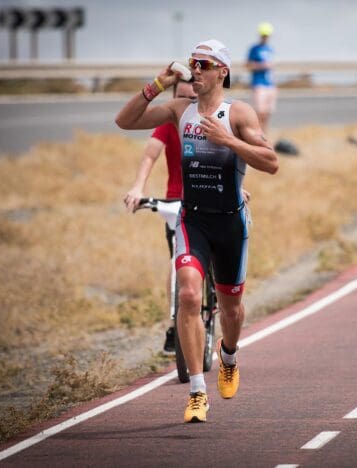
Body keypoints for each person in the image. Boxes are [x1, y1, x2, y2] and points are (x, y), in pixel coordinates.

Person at [116, 39, 278, 423]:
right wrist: (158, 81)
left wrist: (228, 141)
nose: (197, 70)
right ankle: (196, 391)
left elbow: (271, 162)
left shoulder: (237, 112)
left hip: (230, 224)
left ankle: (229, 355)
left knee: (231, 310)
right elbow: (125, 121)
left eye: (204, 64)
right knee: (188, 293)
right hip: (193, 220)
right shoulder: (179, 110)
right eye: (193, 64)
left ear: (222, 70)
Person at [123, 77, 197, 355]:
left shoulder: (209, 119)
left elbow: (226, 160)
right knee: (176, 259)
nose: (187, 104)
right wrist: (138, 187)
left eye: (192, 99)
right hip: (176, 200)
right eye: (181, 98)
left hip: (208, 199)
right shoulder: (168, 122)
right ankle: (175, 321)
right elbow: (150, 155)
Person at [246, 22, 277, 134]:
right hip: (259, 84)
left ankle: (265, 135)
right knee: (260, 112)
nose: (265, 38)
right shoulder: (254, 49)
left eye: (267, 35)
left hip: (270, 84)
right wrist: (261, 66)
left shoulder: (270, 49)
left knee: (267, 113)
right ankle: (258, 134)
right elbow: (248, 65)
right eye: (263, 35)